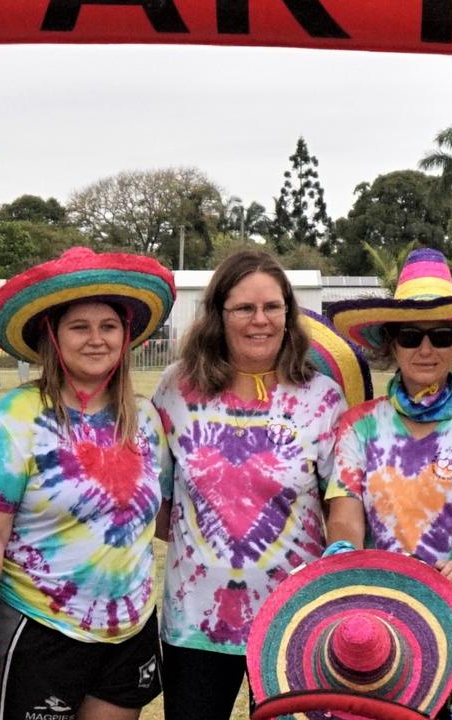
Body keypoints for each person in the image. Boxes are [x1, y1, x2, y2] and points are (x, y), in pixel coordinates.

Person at [0, 247, 176, 720]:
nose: (96, 339)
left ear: (125, 336)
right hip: (38, 628)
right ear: (52, 336)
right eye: (79, 327)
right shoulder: (16, 417)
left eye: (108, 327)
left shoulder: (147, 420)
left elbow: (153, 521)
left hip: (128, 633)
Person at [152, 249, 347, 720]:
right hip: (195, 621)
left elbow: (339, 509)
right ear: (219, 315)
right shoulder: (176, 388)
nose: (260, 320)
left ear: (288, 314)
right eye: (244, 308)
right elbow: (158, 505)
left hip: (292, 621)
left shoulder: (322, 397)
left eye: (272, 307)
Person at [325, 248, 452, 584]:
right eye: (410, 337)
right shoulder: (358, 425)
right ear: (392, 345)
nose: (425, 350)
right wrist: (345, 555)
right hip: (374, 597)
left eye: (441, 337)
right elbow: (345, 516)